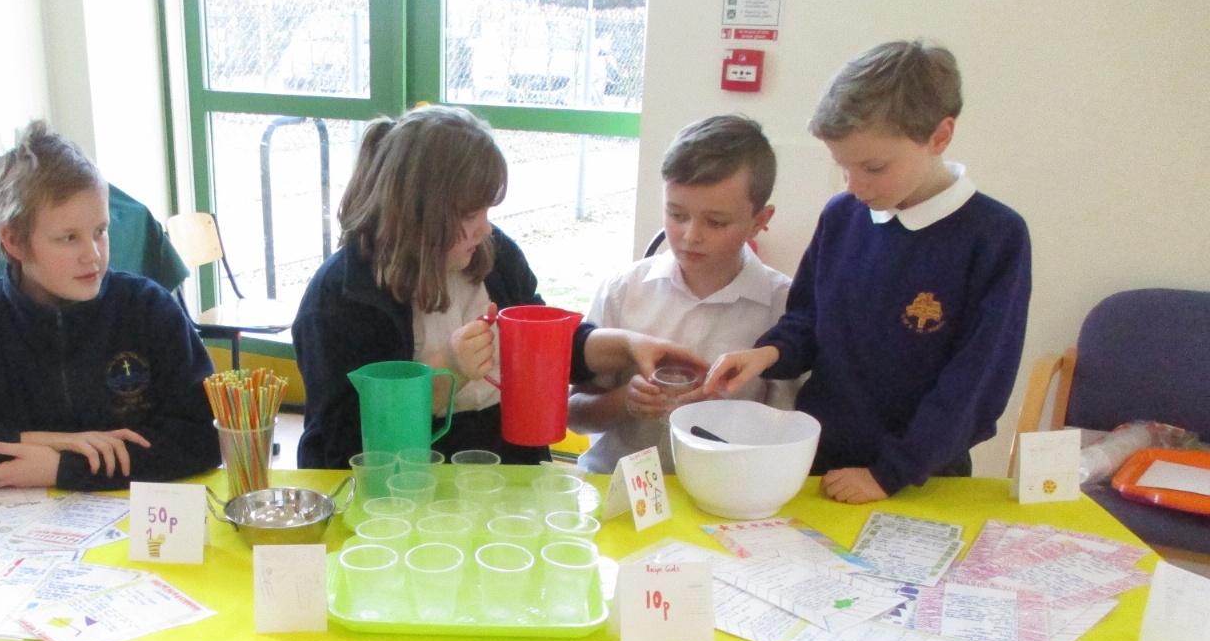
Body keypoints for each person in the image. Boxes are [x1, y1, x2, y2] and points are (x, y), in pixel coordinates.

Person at [705, 40, 1032, 503]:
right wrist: (769, 354)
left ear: (939, 137)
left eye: (874, 167)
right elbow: (809, 320)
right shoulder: (842, 216)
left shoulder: (995, 237)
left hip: (920, 477)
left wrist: (888, 474)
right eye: (842, 167)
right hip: (820, 463)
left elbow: (975, 385)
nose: (855, 186)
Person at [291, 105, 703, 469]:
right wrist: (448, 369)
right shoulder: (340, 299)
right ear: (418, 215)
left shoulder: (492, 254)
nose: (485, 229)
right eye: (471, 215)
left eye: (487, 211)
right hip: (402, 485)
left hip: (502, 465)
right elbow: (351, 451)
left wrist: (631, 345)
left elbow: (552, 344)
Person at [0, 122, 220, 491]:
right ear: (14, 241)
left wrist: (63, 467)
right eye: (68, 238)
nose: (93, 255)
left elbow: (203, 439)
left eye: (100, 231)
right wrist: (35, 441)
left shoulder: (148, 309)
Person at [571, 114, 792, 475]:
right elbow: (573, 414)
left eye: (716, 222)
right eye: (676, 214)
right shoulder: (624, 290)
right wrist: (626, 401)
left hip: (725, 494)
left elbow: (789, 436)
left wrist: (726, 416)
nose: (691, 236)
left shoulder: (783, 307)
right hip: (616, 486)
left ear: (759, 221)